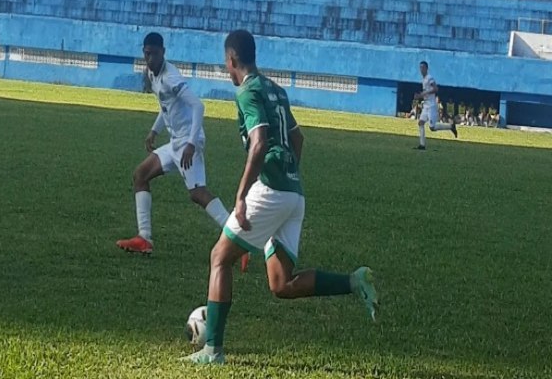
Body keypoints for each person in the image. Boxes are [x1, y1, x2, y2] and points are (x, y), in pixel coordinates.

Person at [183, 30, 378, 365]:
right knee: (281, 283)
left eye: (226, 63)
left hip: (271, 190)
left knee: (220, 257)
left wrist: (242, 196)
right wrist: (288, 176)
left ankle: (212, 350)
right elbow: (297, 138)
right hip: (293, 192)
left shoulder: (247, 91)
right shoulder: (276, 88)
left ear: (231, 60)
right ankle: (353, 280)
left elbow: (259, 142)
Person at [116, 33, 249, 272]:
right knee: (140, 176)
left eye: (154, 53)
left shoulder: (171, 76)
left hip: (189, 142)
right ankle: (144, 238)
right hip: (175, 143)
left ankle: (240, 240)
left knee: (198, 194)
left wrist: (190, 143)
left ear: (163, 52)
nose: (150, 58)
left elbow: (198, 105)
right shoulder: (151, 74)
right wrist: (154, 131)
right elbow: (166, 106)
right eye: (146, 53)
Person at [414, 61, 457, 150]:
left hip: (431, 106)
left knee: (432, 127)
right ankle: (422, 145)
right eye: (420, 67)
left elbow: (435, 89)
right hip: (426, 105)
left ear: (426, 68)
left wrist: (423, 94)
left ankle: (450, 126)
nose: (421, 69)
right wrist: (421, 96)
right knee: (420, 123)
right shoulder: (424, 79)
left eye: (423, 67)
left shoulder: (429, 78)